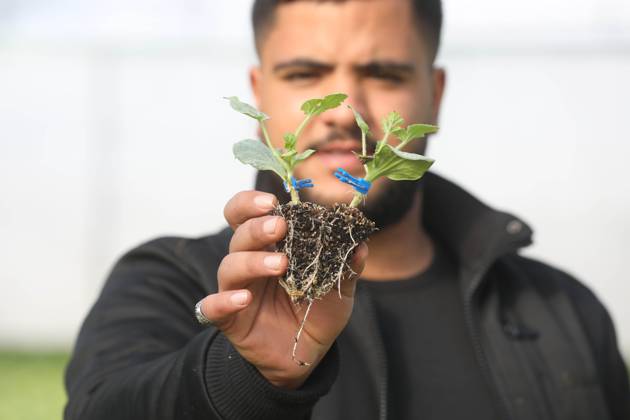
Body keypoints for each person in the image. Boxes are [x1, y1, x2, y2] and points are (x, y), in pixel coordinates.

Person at [64, 0, 630, 419]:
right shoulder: (173, 284)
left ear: (434, 92)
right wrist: (244, 376)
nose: (345, 110)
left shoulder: (559, 309)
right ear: (259, 93)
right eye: (305, 74)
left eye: (383, 74)